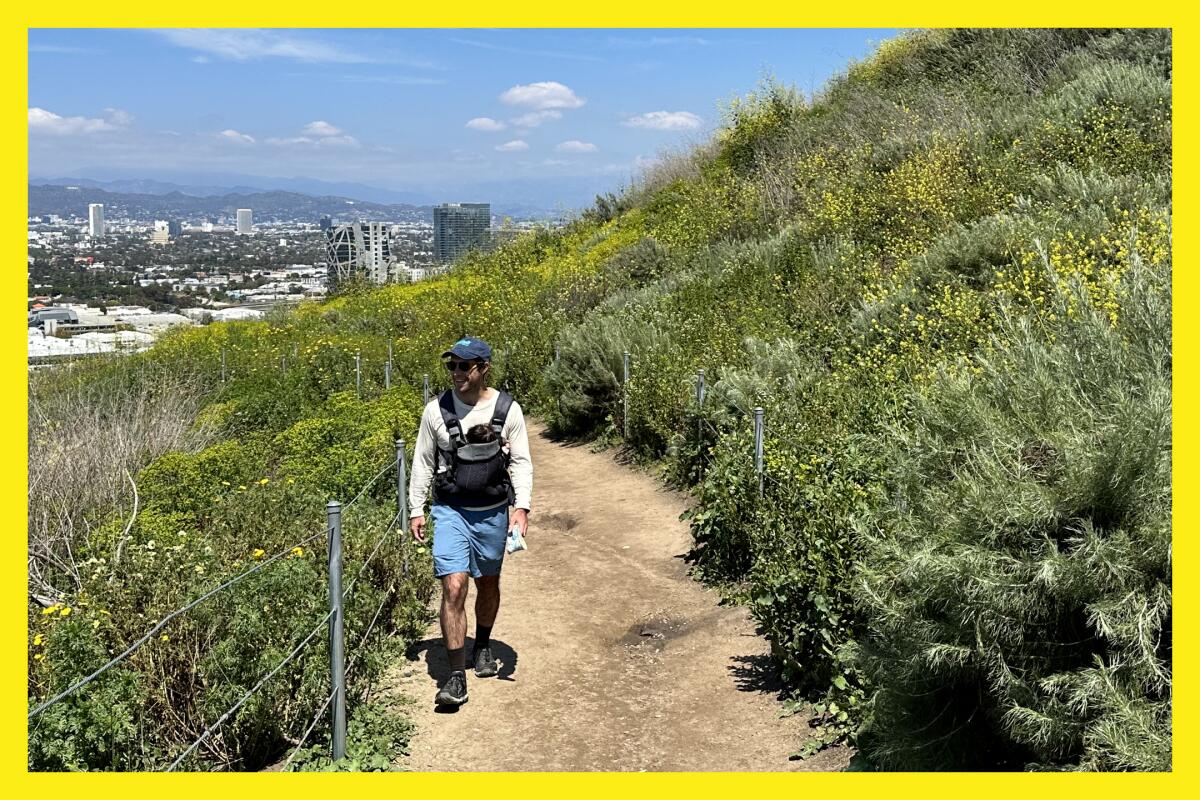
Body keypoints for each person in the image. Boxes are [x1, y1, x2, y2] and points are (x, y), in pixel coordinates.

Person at [408, 336, 532, 707]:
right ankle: (456, 677)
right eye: (452, 366)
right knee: (454, 587)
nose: (457, 373)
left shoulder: (508, 410)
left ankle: (483, 644)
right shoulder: (435, 411)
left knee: (488, 583)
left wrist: (521, 508)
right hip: (450, 511)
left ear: (484, 367)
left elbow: (521, 462)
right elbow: (423, 462)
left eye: (465, 365)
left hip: (492, 512)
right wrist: (416, 508)